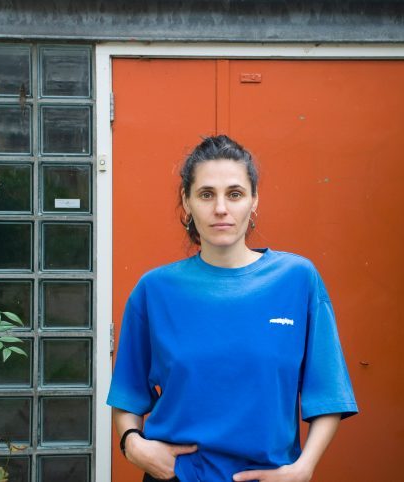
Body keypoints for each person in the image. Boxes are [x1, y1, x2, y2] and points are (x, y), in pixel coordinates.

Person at [106, 135, 358, 482]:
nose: (221, 208)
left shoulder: (297, 280)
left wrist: (304, 468)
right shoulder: (155, 290)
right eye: (206, 194)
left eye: (235, 194)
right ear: (187, 202)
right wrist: (133, 444)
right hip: (178, 476)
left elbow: (329, 392)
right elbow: (127, 395)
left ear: (254, 201)